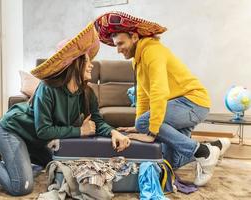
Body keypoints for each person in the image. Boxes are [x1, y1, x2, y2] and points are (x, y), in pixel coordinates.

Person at [0, 22, 130, 196]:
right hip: (13, 130)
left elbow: (96, 120)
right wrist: (80, 131)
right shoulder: (48, 88)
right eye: (87, 61)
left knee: (59, 165)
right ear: (74, 64)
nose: (91, 65)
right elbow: (44, 131)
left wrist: (113, 132)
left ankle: (6, 154)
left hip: (34, 138)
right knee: (21, 186)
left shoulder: (86, 93)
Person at [94, 11, 230, 186]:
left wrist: (149, 130)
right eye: (115, 45)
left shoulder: (152, 51)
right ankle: (215, 146)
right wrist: (139, 126)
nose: (118, 49)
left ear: (134, 37)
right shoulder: (137, 59)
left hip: (192, 102)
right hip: (179, 106)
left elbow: (159, 92)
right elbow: (142, 96)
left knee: (145, 124)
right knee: (167, 161)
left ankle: (204, 153)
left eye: (121, 43)